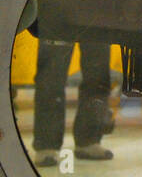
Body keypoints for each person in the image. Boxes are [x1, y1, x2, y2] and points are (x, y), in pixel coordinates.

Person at [31, 38, 114, 167]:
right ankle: (46, 144)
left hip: (97, 18)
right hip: (57, 18)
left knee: (98, 69)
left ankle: (89, 139)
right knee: (51, 71)